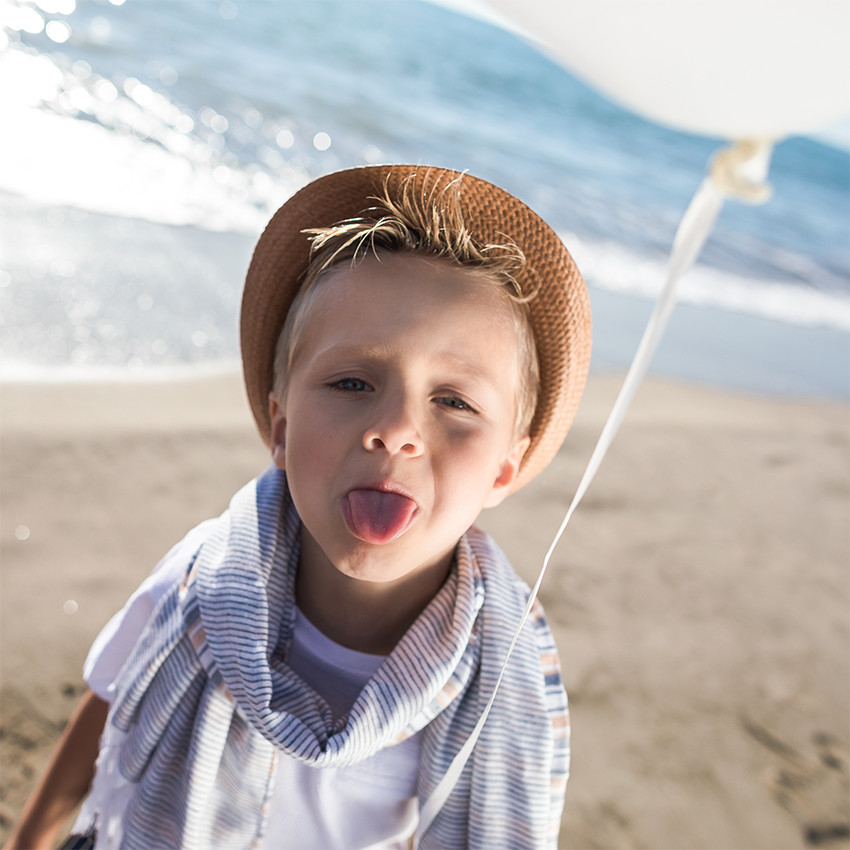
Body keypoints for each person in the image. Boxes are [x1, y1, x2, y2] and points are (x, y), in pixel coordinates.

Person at [5, 164, 591, 849]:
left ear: (504, 470)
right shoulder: (200, 583)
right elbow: (94, 744)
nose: (396, 429)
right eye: (352, 381)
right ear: (280, 429)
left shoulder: (497, 679)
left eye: (454, 401)